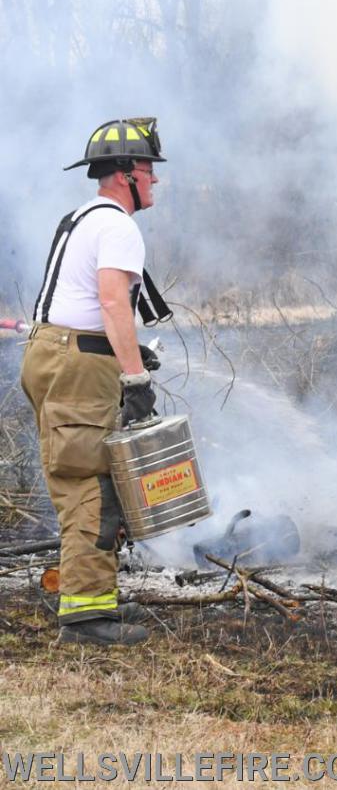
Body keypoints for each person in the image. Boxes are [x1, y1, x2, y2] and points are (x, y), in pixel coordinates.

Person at [20, 118, 172, 646]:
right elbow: (111, 303)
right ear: (125, 173)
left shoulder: (82, 217)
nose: (154, 179)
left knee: (82, 482)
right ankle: (85, 619)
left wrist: (129, 360)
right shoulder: (118, 226)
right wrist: (134, 378)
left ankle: (92, 598)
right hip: (79, 365)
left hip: (57, 356)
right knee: (93, 487)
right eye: (149, 168)